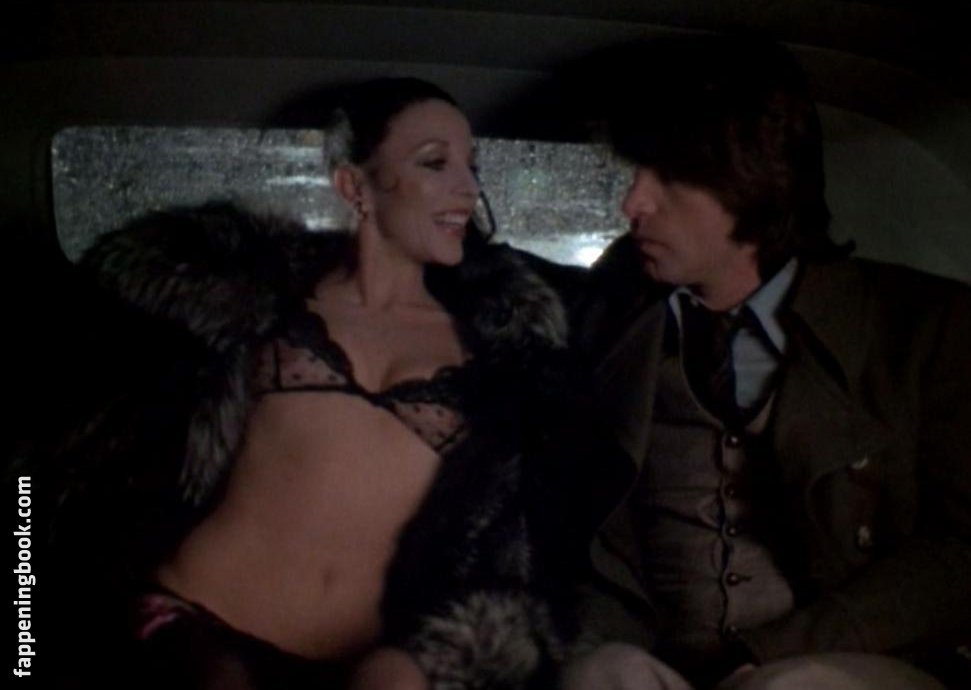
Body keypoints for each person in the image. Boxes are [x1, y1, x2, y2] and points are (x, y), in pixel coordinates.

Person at [36, 77, 575, 690]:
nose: (468, 188)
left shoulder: (501, 352)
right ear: (353, 186)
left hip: (359, 664)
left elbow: (515, 553)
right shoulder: (258, 299)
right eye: (435, 163)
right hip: (198, 626)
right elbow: (83, 454)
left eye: (470, 165)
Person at [571, 34, 971, 690]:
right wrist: (603, 650)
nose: (632, 203)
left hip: (850, 659)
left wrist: (770, 656)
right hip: (661, 661)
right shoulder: (608, 327)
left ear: (751, 177)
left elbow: (960, 553)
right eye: (636, 172)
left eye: (669, 175)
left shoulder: (925, 328)